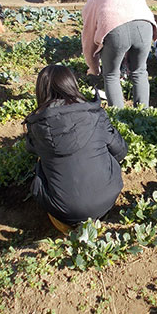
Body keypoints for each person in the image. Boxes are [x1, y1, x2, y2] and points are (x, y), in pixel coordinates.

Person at [23, 65, 128, 230]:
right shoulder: (96, 114)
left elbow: (30, 149)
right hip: (106, 199)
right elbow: (120, 151)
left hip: (66, 211)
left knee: (41, 161)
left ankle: (66, 229)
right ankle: (97, 216)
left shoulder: (37, 125)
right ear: (72, 85)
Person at [82, 0, 157, 108]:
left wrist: (93, 68)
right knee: (139, 71)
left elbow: (88, 40)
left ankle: (119, 118)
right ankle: (144, 115)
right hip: (145, 26)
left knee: (111, 75)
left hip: (115, 30)